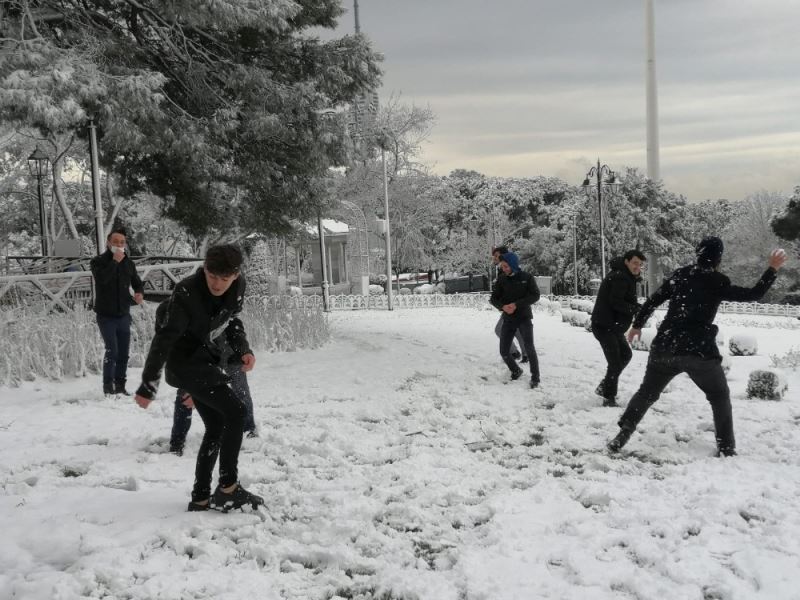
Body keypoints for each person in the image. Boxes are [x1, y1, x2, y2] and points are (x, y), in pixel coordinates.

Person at [607, 238, 787, 456]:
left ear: (698, 254)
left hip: (666, 346)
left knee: (646, 392)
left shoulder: (681, 275)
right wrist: (772, 269)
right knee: (719, 395)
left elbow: (653, 300)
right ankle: (726, 447)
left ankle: (624, 432)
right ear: (718, 258)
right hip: (698, 351)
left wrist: (637, 325)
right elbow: (753, 294)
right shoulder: (718, 281)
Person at [134, 244, 264, 512]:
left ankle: (201, 497)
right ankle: (228, 487)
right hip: (184, 363)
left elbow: (232, 320)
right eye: (212, 276)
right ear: (204, 269)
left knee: (216, 425)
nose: (217, 284)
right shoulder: (187, 291)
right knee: (236, 412)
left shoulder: (238, 287)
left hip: (206, 359)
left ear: (236, 275)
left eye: (224, 279)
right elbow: (164, 339)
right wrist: (148, 385)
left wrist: (243, 349)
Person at [156, 300, 259, 457]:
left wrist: (244, 350)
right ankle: (177, 442)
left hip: (227, 348)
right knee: (184, 396)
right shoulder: (166, 319)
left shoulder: (209, 305)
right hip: (196, 355)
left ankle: (248, 429)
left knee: (240, 390)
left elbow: (234, 326)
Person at [90, 228, 144, 395]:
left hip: (123, 313)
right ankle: (108, 387)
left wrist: (139, 292)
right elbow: (102, 280)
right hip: (106, 315)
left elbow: (137, 282)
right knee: (112, 350)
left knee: (123, 352)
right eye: (115, 242)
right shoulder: (98, 261)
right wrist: (114, 261)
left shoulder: (129, 263)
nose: (119, 245)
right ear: (108, 243)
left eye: (122, 242)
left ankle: (120, 386)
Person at [590, 250, 646, 407]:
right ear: (626, 261)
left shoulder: (625, 276)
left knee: (626, 355)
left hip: (613, 327)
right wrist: (636, 309)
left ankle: (605, 386)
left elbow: (622, 301)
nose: (638, 267)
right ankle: (609, 398)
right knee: (615, 362)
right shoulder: (620, 277)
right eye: (635, 263)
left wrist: (636, 307)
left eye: (640, 265)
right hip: (605, 325)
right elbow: (616, 302)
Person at [490, 252, 541, 388]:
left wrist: (516, 305)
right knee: (504, 351)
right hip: (508, 319)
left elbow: (535, 295)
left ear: (513, 264)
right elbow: (493, 299)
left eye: (507, 266)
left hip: (524, 318)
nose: (505, 269)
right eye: (503, 267)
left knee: (529, 348)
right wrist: (503, 307)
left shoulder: (527, 277)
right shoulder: (502, 279)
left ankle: (535, 377)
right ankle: (516, 370)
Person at [491, 246, 527, 362]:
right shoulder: (502, 270)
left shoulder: (509, 270)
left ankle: (515, 353)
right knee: (515, 330)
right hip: (509, 307)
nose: (494, 258)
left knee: (500, 330)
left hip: (514, 307)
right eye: (494, 256)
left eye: (496, 255)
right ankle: (522, 354)